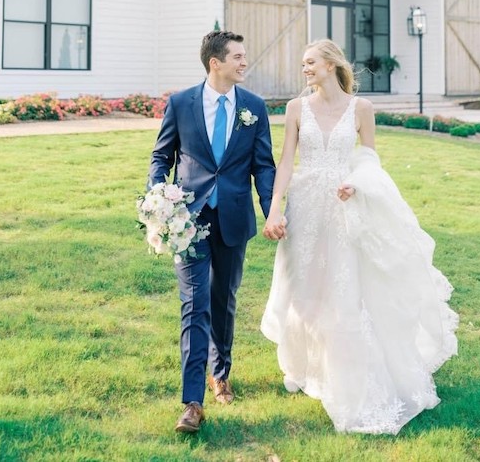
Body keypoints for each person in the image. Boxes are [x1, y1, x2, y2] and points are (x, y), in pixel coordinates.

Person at [261, 39, 458, 435]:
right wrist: (275, 207)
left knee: (344, 289)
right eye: (303, 64)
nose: (305, 69)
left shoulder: (362, 109)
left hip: (345, 208)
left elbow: (369, 159)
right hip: (306, 207)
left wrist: (356, 182)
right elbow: (285, 161)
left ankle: (345, 375)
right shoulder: (296, 109)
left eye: (311, 62)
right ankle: (306, 365)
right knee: (304, 289)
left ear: (331, 64)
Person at [148, 30, 276, 434]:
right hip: (188, 219)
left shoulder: (253, 107)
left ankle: (221, 372)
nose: (244, 62)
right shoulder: (181, 103)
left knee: (224, 301)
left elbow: (264, 166)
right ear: (214, 63)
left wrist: (271, 210)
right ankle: (191, 402)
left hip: (234, 218)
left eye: (244, 55)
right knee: (194, 304)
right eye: (237, 56)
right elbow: (161, 155)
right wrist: (158, 197)